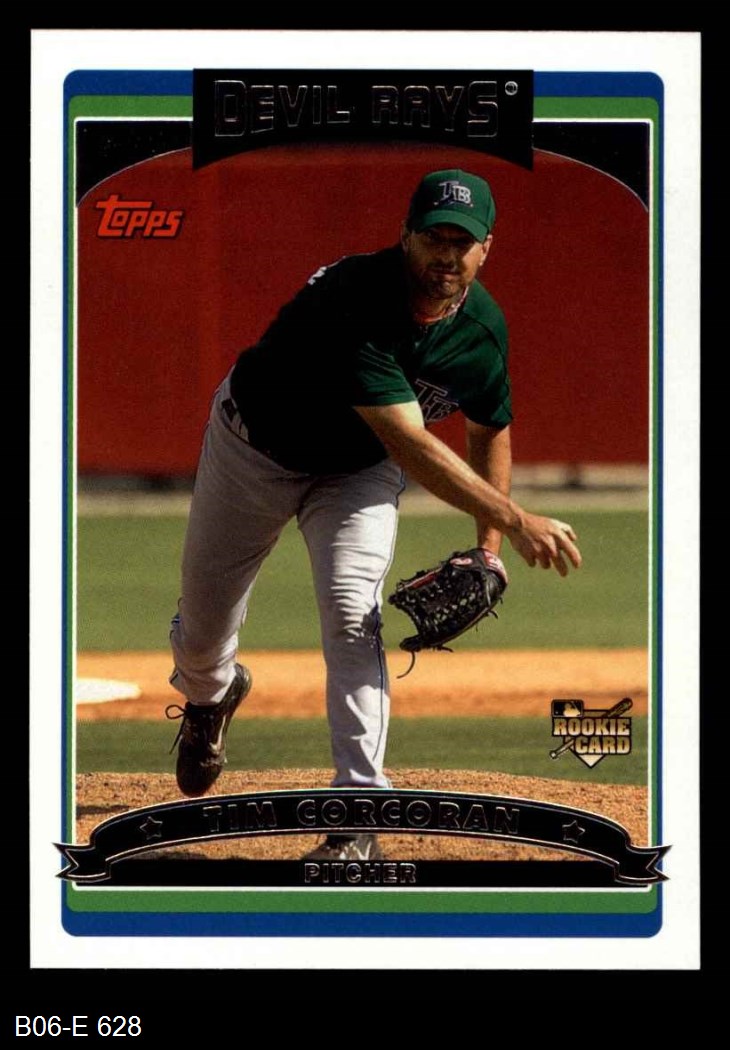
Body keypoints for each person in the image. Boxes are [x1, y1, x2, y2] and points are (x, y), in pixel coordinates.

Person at [166, 168, 582, 862]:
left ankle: (358, 808)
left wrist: (488, 549)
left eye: (463, 242)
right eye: (434, 237)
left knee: (352, 612)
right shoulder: (355, 297)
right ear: (405, 236)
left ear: (486, 249)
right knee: (204, 632)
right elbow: (411, 443)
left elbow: (490, 428)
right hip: (254, 449)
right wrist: (515, 519)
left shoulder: (481, 328)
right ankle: (211, 694)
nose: (447, 255)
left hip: (356, 472)